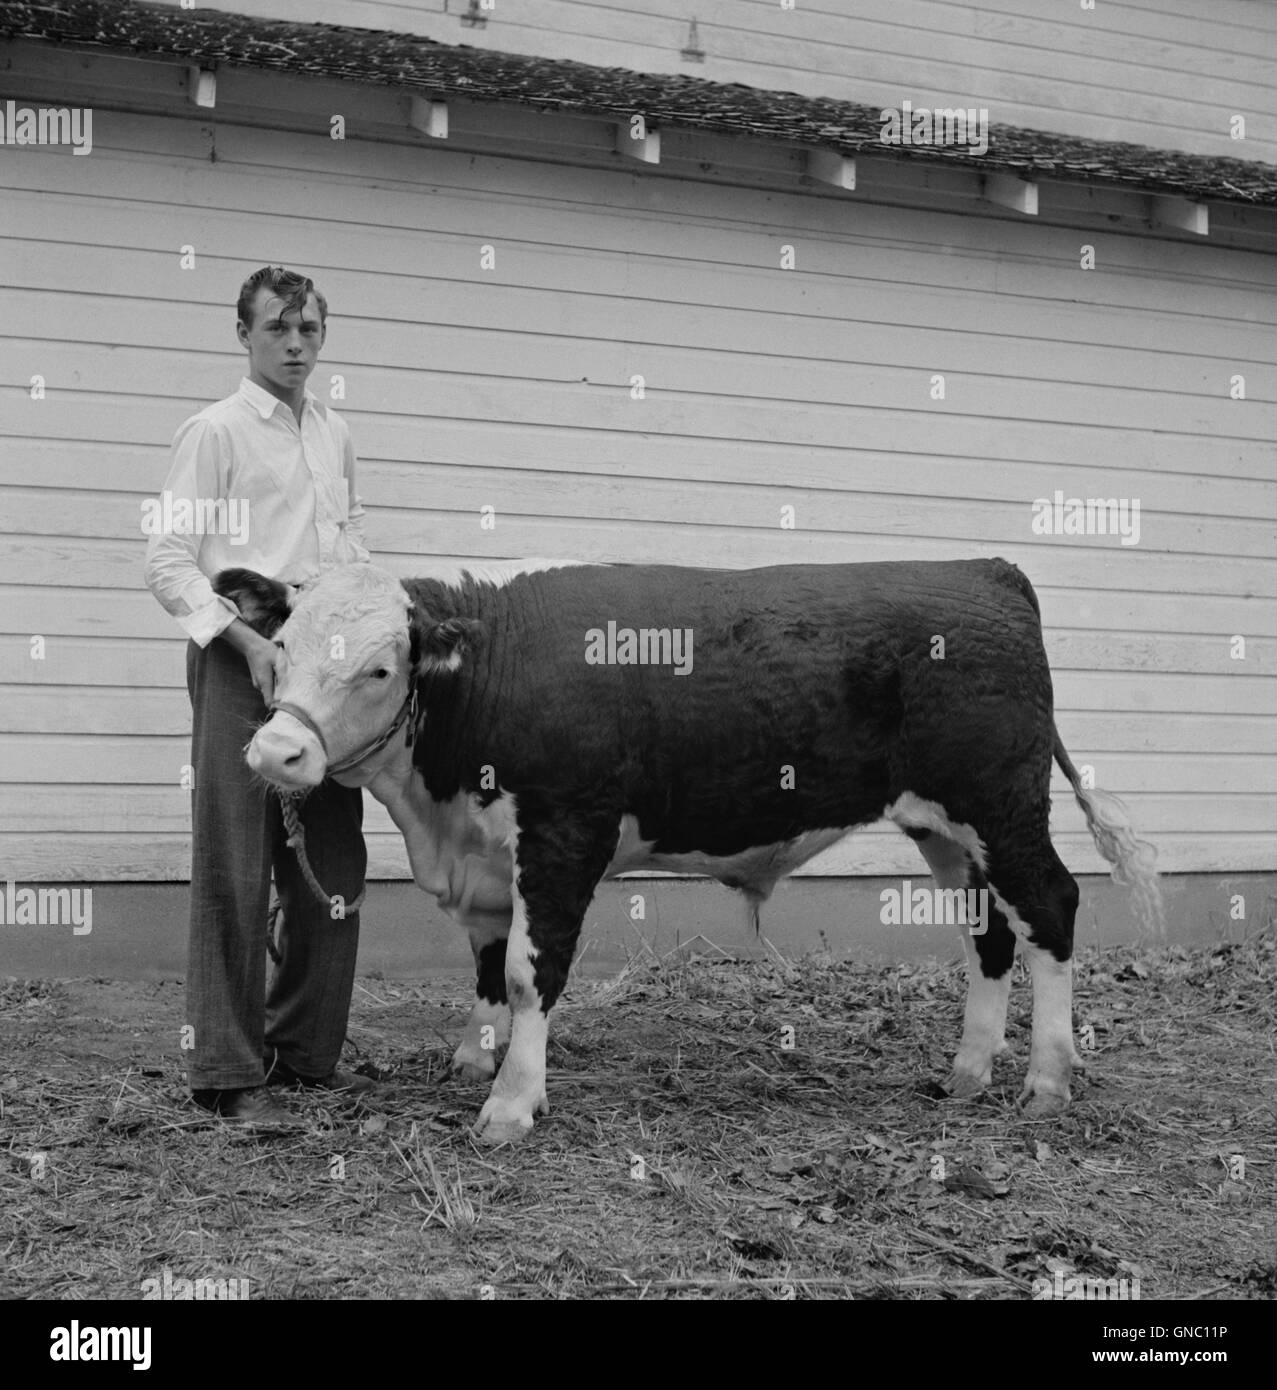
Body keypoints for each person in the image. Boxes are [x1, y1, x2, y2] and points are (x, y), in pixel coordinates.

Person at [144, 266, 373, 1127]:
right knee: (236, 865)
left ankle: (306, 1054)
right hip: (240, 656)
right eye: (277, 327)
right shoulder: (216, 432)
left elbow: (346, 542)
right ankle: (225, 1073)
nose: (294, 343)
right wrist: (243, 641)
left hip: (320, 664)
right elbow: (167, 559)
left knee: (332, 865)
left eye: (309, 329)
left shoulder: (335, 433)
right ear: (244, 334)